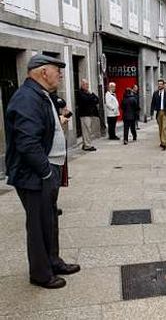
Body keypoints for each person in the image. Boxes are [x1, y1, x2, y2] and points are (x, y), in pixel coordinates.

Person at [5, 54, 81, 289]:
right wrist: (46, 172)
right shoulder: (27, 98)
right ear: (41, 71)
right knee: (38, 224)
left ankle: (53, 261)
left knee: (49, 219)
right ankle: (40, 273)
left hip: (46, 170)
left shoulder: (42, 95)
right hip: (34, 175)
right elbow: (27, 142)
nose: (60, 74)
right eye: (56, 69)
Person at [150, 79, 166, 150]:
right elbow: (153, 103)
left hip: (165, 113)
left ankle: (164, 143)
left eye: (161, 84)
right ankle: (162, 141)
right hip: (158, 112)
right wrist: (151, 112)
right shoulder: (155, 93)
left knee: (164, 128)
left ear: (163, 85)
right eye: (159, 84)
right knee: (160, 128)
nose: (159, 85)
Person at [77, 79, 99, 151]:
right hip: (84, 114)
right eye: (86, 84)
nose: (87, 86)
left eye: (87, 84)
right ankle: (87, 146)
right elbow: (86, 100)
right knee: (86, 130)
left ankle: (86, 144)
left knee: (89, 130)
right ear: (82, 85)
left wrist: (91, 94)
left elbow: (97, 99)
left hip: (90, 114)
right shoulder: (80, 93)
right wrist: (91, 98)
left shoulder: (88, 93)